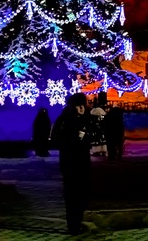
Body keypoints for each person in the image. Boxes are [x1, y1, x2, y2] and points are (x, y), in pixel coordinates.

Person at [51, 92, 92, 235]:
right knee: (74, 193)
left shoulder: (82, 118)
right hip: (72, 161)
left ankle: (76, 222)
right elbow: (57, 139)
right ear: (79, 105)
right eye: (86, 102)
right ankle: (74, 224)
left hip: (78, 161)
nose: (88, 105)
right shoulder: (66, 119)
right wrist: (76, 138)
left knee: (79, 193)